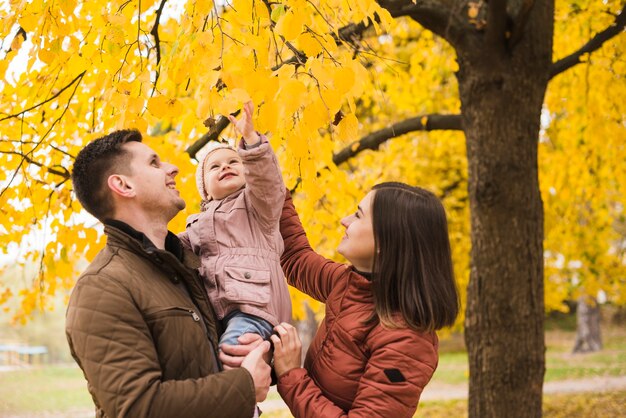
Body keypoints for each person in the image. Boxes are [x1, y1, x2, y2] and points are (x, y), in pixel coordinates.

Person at [66, 128, 271, 418]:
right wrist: (244, 385)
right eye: (154, 163)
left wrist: (257, 351)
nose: (172, 168)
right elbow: (138, 407)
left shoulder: (188, 267)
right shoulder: (102, 287)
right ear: (123, 185)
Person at [269, 182, 460, 417]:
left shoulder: (407, 342)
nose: (345, 220)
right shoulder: (349, 284)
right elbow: (296, 258)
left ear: (387, 240)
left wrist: (291, 376)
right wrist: (270, 182)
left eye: (358, 215)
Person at [178, 101, 291, 350]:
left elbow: (266, 181)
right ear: (205, 190)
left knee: (232, 351)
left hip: (256, 308)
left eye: (233, 161)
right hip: (217, 310)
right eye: (214, 167)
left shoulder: (257, 205)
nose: (225, 167)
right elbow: (173, 247)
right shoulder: (197, 223)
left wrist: (251, 142)